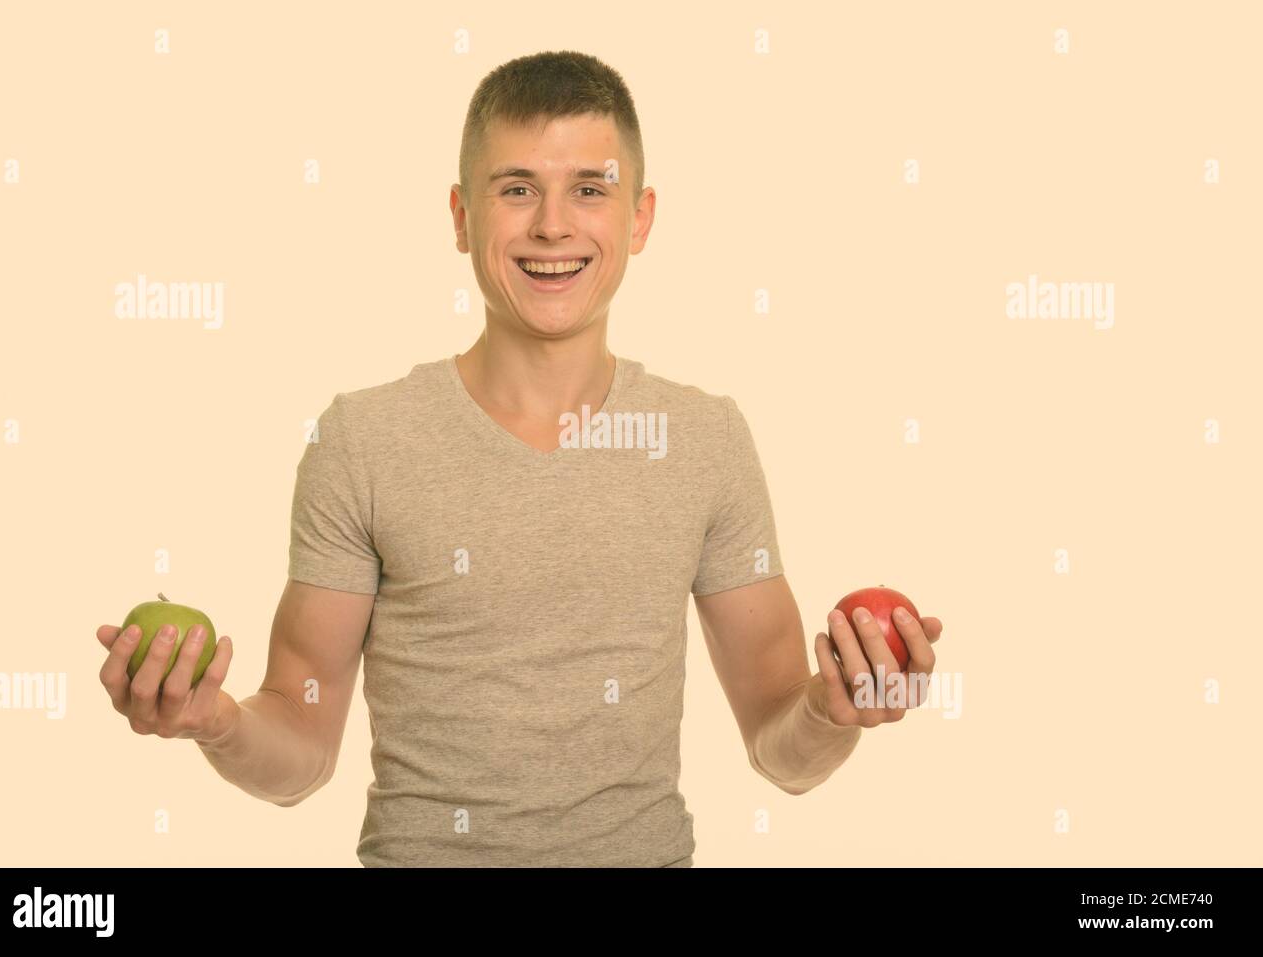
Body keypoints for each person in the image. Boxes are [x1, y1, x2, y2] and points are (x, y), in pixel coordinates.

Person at [96, 50, 943, 868]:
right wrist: (214, 720)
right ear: (462, 217)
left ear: (639, 217)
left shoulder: (706, 437)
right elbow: (302, 748)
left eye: (589, 189)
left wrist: (836, 711)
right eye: (516, 189)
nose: (551, 224)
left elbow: (778, 745)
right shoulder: (361, 438)